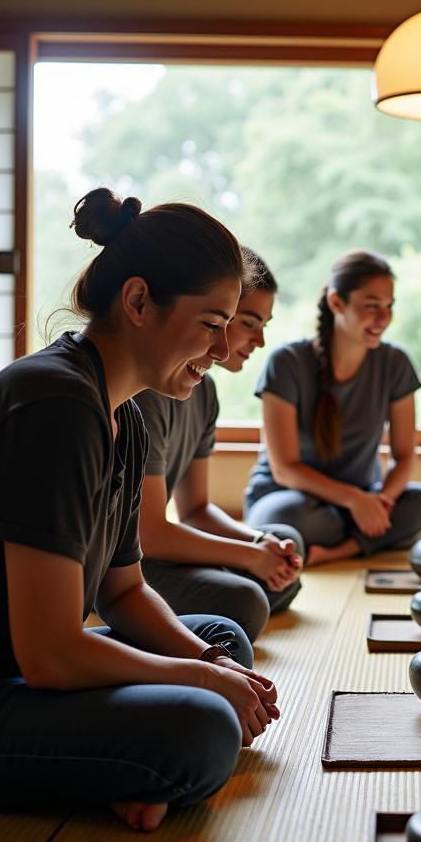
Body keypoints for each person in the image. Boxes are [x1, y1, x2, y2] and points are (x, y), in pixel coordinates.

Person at [0, 188, 281, 833]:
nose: (220, 351)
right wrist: (204, 687)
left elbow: (124, 590)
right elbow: (49, 652)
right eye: (212, 324)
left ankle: (112, 764)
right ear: (137, 302)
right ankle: (116, 765)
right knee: (203, 726)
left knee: (221, 641)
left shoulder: (122, 413)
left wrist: (206, 666)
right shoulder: (54, 406)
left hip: (13, 669)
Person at [135, 248, 302, 642]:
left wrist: (259, 544)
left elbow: (195, 509)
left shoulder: (203, 391)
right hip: (123, 560)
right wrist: (249, 556)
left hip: (155, 548)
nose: (259, 340)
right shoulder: (149, 392)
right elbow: (151, 534)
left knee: (283, 550)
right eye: (248, 322)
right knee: (247, 601)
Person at [243, 249, 421, 565]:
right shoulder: (287, 363)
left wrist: (381, 502)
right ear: (337, 303)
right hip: (292, 499)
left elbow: (405, 456)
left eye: (389, 307)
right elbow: (285, 469)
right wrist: (354, 501)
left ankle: (339, 550)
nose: (383, 318)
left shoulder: (395, 363)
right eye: (372, 306)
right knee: (284, 518)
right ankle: (365, 538)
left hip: (363, 499)